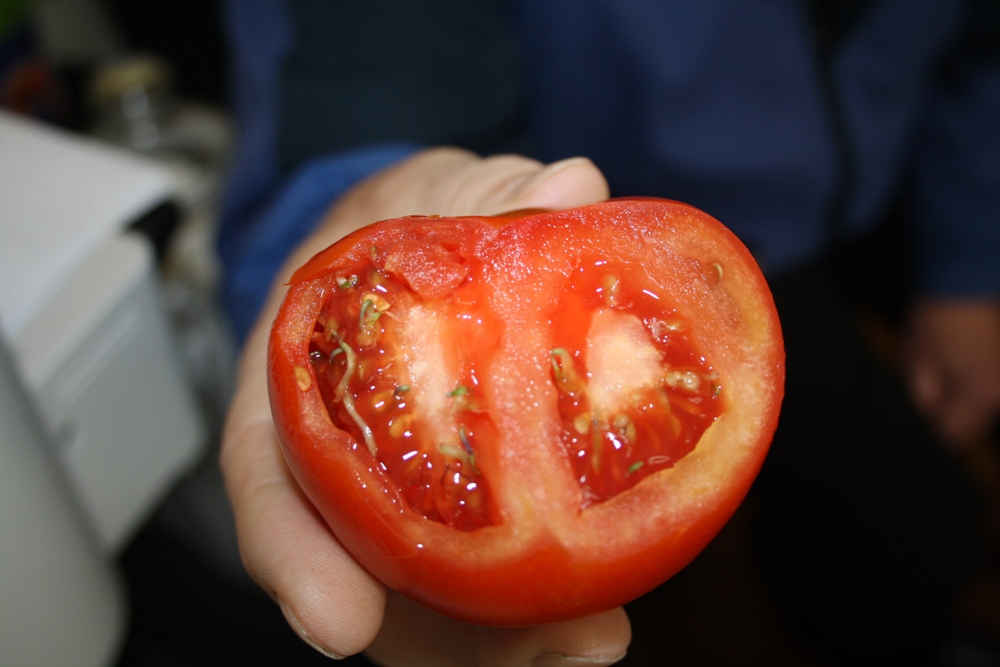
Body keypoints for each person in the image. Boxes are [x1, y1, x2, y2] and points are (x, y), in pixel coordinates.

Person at [217, 1, 1000, 664]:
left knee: (905, 540)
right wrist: (343, 192)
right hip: (652, 242)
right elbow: (357, 51)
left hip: (885, 200)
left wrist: (970, 257)